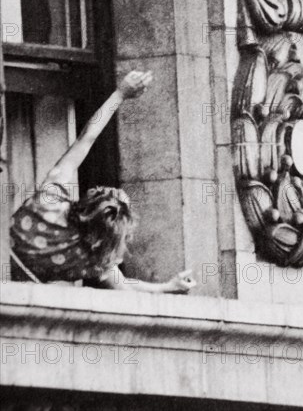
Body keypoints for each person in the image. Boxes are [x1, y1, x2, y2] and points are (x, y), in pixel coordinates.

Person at [10, 70, 196, 294]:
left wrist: (120, 94)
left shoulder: (51, 199)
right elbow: (125, 287)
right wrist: (169, 286)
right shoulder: (96, 258)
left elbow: (87, 137)